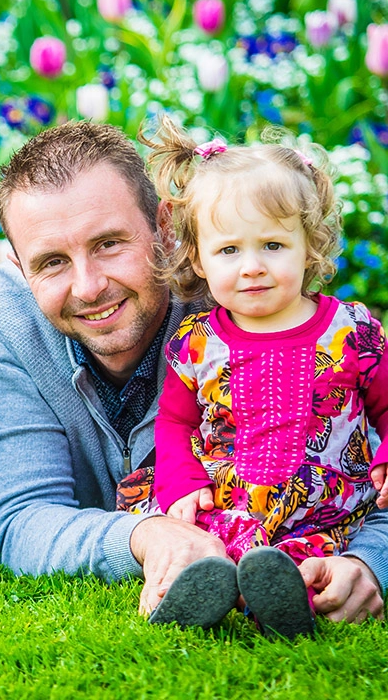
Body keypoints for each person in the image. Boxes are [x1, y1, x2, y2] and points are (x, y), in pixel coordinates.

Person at [0, 120, 387, 628]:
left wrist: (371, 559)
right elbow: (19, 517)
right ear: (18, 265)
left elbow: (352, 448)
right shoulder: (6, 313)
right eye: (51, 262)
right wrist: (147, 536)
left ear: (166, 228)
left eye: (109, 244)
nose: (90, 286)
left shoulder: (240, 288)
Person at [114, 118, 388, 636]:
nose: (252, 267)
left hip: (320, 510)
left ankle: (281, 599)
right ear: (197, 257)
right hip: (225, 500)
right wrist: (182, 483)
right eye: (229, 251)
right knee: (200, 543)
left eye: (273, 246)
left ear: (311, 244)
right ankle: (200, 588)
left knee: (301, 561)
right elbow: (174, 423)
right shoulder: (197, 341)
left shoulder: (351, 331)